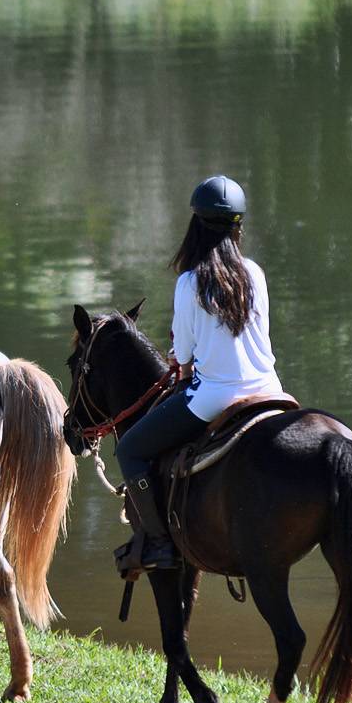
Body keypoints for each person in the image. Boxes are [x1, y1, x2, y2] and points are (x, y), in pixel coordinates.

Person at [113, 174, 283, 575]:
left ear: (196, 226)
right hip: (269, 390)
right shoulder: (255, 274)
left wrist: (185, 361)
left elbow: (185, 359)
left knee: (130, 451)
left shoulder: (190, 282)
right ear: (237, 227)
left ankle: (157, 542)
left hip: (214, 397)